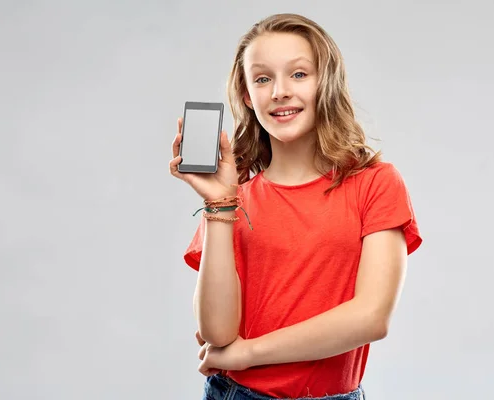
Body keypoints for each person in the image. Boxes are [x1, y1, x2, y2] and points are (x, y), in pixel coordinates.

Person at [169, 13, 423, 400]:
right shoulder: (234, 199)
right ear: (246, 96)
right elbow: (218, 334)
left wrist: (248, 353)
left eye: (299, 74)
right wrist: (218, 205)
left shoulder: (375, 184)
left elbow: (371, 317)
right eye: (262, 78)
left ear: (327, 83)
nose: (280, 92)